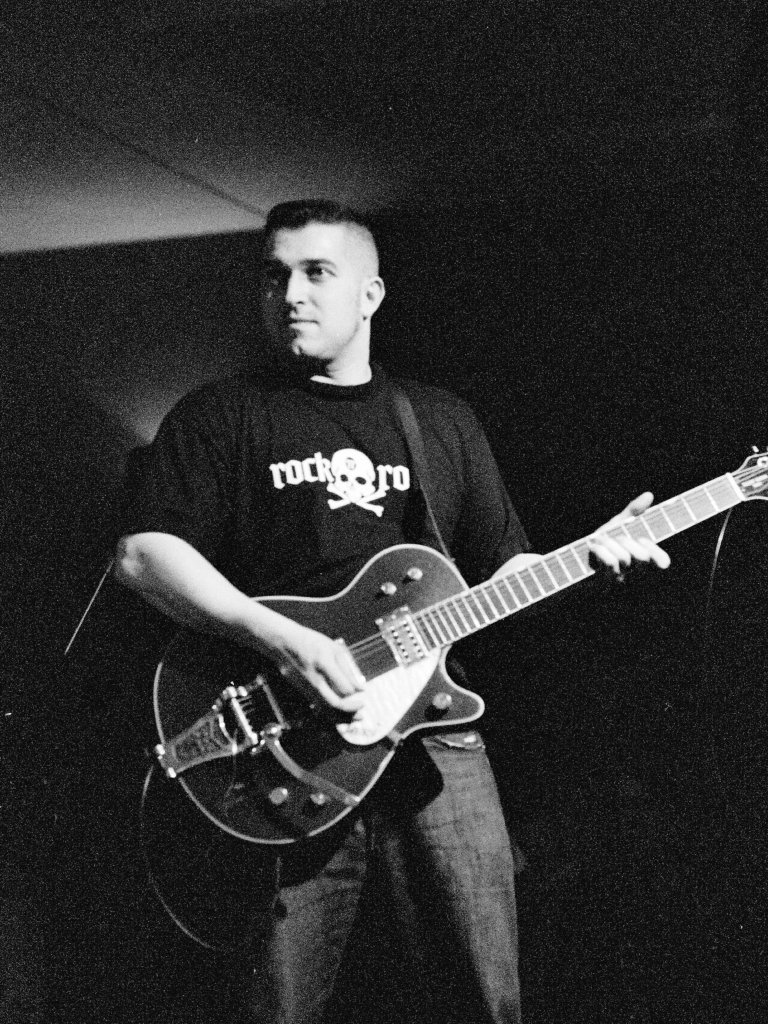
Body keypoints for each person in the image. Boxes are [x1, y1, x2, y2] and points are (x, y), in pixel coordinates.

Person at [114, 199, 671, 1024]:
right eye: (274, 276)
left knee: (486, 998)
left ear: (371, 294)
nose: (290, 294)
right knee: (278, 1005)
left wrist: (590, 554)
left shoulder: (438, 419)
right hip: (288, 746)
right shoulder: (222, 415)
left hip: (432, 740)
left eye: (316, 273)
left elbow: (502, 569)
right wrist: (282, 639)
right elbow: (142, 555)